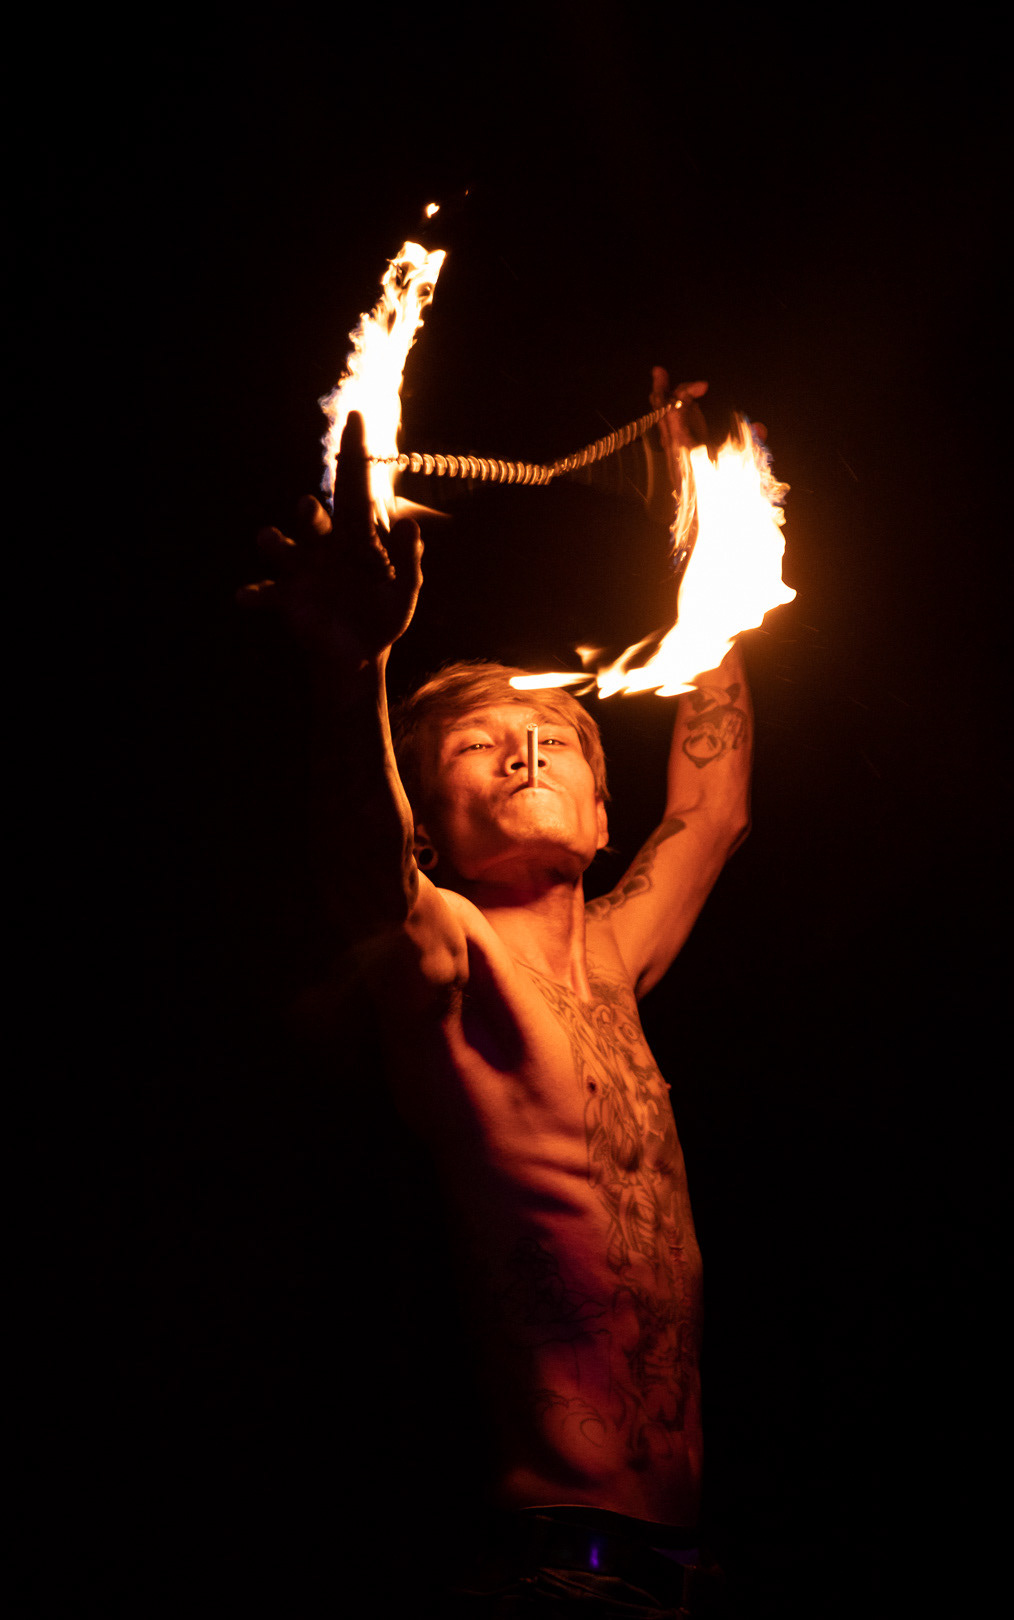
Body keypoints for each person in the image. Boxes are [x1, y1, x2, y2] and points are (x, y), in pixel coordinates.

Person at [241, 372, 753, 1616]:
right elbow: (362, 858)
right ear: (434, 823)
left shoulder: (620, 965)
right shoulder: (452, 962)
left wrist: (715, 527)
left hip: (686, 1563)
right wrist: (352, 668)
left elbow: (714, 808)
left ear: (601, 803)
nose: (526, 744)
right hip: (553, 1567)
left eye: (558, 737)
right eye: (475, 743)